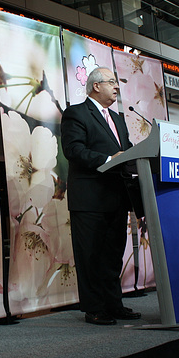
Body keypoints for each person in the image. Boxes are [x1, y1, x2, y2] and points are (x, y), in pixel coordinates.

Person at [61, 67, 141, 325]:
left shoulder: (118, 119)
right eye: (111, 82)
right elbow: (73, 150)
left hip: (116, 196)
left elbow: (126, 152)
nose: (116, 87)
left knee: (112, 256)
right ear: (96, 86)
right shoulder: (76, 113)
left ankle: (114, 305)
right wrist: (108, 159)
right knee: (91, 256)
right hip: (89, 198)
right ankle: (94, 308)